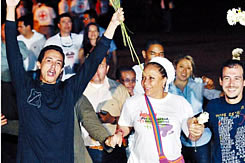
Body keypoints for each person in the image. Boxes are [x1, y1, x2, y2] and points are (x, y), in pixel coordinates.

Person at [5, 0, 124, 161]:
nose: (53, 66)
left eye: (58, 63)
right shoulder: (25, 87)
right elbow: (12, 50)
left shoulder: (69, 91)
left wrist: (113, 24)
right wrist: (11, 7)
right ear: (39, 64)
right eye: (49, 61)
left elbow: (93, 62)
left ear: (62, 70)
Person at [116, 57, 204, 162]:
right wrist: (119, 134)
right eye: (143, 78)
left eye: (151, 78)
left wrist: (196, 130)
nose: (145, 83)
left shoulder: (179, 103)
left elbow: (192, 134)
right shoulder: (133, 102)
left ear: (164, 80)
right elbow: (124, 127)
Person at [168, 55, 221, 163]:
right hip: (179, 140)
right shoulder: (167, 87)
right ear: (175, 68)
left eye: (188, 68)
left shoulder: (198, 83)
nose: (184, 71)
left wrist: (223, 90)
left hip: (202, 140)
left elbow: (214, 95)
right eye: (181, 66)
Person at [79, 57, 129, 163]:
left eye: (101, 66)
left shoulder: (119, 89)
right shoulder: (79, 89)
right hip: (86, 149)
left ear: (107, 68)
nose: (97, 70)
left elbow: (130, 120)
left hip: (113, 150)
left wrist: (112, 119)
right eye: (94, 65)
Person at [206, 59, 245, 162]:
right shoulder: (213, 106)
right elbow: (196, 122)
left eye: (237, 78)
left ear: (244, 82)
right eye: (227, 78)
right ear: (221, 81)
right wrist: (192, 125)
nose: (231, 84)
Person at [45, 12, 84, 81]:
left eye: (69, 22)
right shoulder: (51, 41)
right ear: (59, 25)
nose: (67, 24)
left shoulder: (80, 38)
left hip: (78, 78)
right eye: (64, 22)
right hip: (59, 79)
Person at [80, 9, 118, 74]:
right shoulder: (82, 46)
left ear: (98, 33)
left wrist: (114, 69)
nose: (84, 21)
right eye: (90, 31)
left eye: (86, 19)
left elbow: (113, 51)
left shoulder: (105, 33)